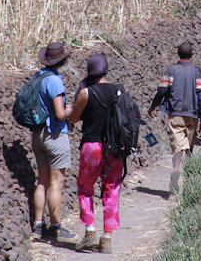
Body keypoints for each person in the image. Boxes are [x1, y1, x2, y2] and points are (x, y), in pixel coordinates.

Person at [68, 54, 124, 254]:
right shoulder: (119, 91)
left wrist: (71, 109)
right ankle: (107, 237)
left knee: (85, 188)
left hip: (92, 147)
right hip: (115, 149)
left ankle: (90, 231)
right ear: (107, 70)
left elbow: (74, 118)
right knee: (111, 190)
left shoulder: (85, 93)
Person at [31, 42, 78, 243]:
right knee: (56, 184)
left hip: (38, 135)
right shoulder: (55, 81)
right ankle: (56, 228)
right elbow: (60, 113)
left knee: (41, 182)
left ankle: (38, 226)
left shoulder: (39, 76)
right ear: (63, 61)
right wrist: (72, 110)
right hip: (54, 136)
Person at [148, 41, 201, 194]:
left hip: (175, 113)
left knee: (178, 144)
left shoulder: (171, 71)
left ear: (178, 54)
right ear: (192, 55)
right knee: (189, 144)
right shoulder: (197, 72)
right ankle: (191, 177)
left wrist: (154, 105)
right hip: (193, 114)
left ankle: (175, 168)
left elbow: (162, 91)